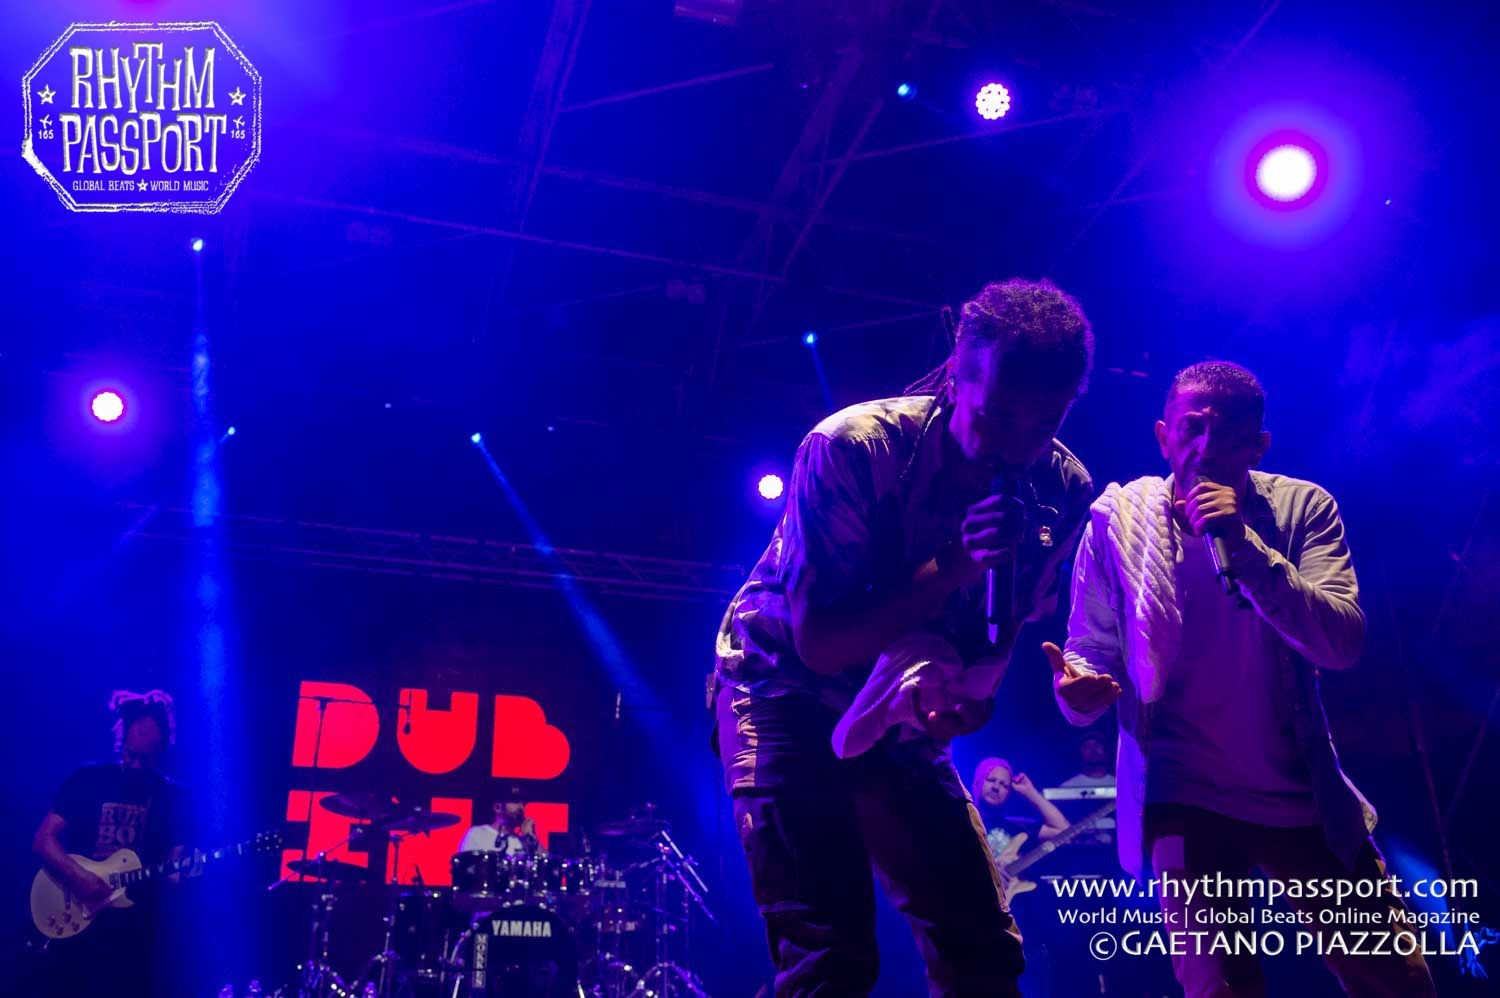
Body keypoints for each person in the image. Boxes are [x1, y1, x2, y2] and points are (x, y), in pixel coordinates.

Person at [712, 278, 1097, 997]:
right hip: (781, 688)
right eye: (994, 418)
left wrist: (963, 703)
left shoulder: (1061, 488)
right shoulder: (853, 446)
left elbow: (996, 640)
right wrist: (955, 563)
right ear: (956, 376)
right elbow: (820, 644)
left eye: (1039, 425)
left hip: (900, 705)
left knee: (982, 950)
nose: (1012, 447)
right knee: (830, 956)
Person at [1050, 361, 1435, 996]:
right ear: (1163, 436)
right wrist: (1078, 692)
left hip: (1298, 791)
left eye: (1228, 434)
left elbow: (1341, 643)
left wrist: (1244, 545)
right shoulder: (1115, 524)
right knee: (1220, 988)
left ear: (1258, 447)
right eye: (1191, 429)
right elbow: (1090, 648)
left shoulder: (1302, 509)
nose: (1206, 448)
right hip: (1182, 793)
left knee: (1400, 982)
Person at [31, 690, 195, 998]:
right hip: (76, 919)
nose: (135, 764)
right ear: (120, 743)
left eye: (145, 758)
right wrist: (79, 876)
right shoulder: (88, 779)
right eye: (130, 754)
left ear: (162, 751)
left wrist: (191, 872)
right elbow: (43, 840)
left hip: (133, 936)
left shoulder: (172, 798)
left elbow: (173, 874)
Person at [971, 756, 1070, 860]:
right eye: (991, 780)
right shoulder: (962, 822)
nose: (996, 787)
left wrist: (1030, 792)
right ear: (976, 783)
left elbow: (1065, 831)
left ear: (1008, 793)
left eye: (1004, 785)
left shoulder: (1018, 827)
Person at [1057, 730, 1116, 847]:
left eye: (1097, 745)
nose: (1093, 750)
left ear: (1106, 751)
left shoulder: (1119, 784)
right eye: (1087, 747)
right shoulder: (1067, 787)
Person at [458, 783, 544, 856]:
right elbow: (464, 867)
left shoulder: (525, 841)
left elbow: (545, 863)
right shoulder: (477, 833)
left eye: (523, 803)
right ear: (497, 807)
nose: (521, 808)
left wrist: (531, 836)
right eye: (515, 801)